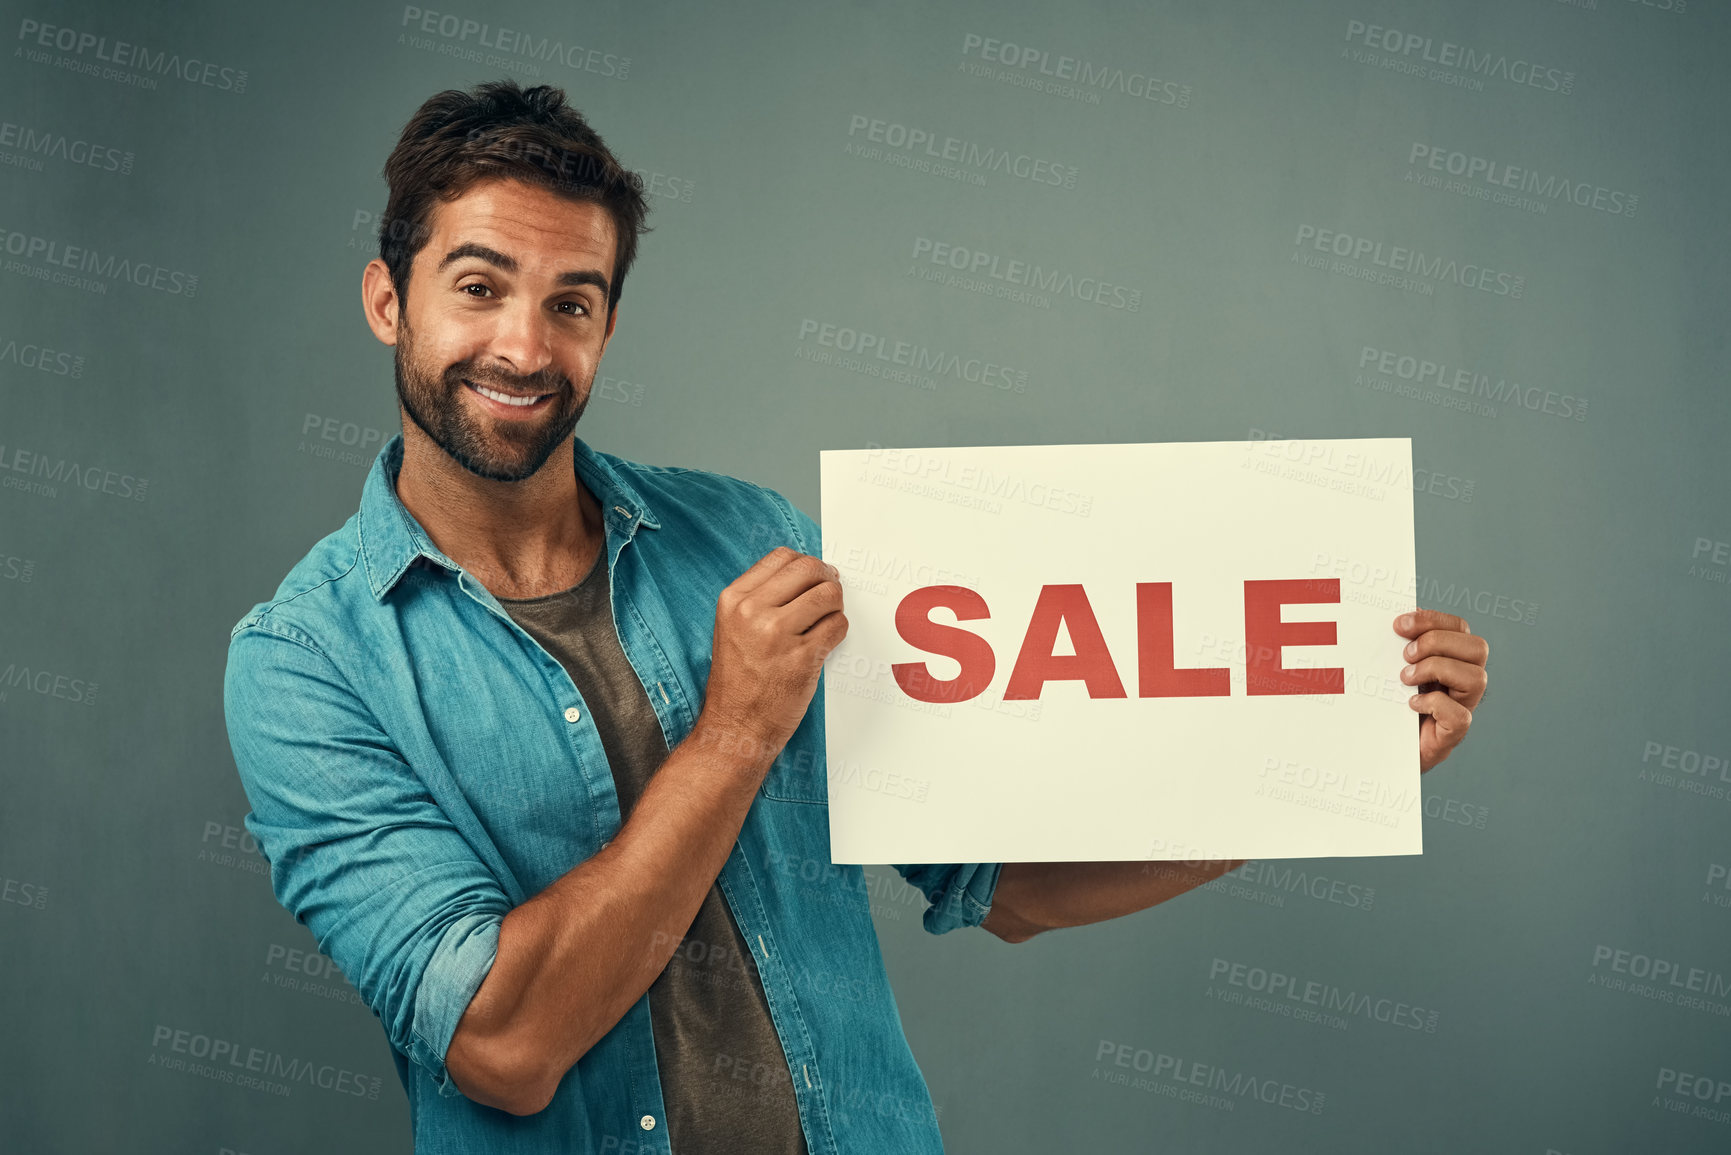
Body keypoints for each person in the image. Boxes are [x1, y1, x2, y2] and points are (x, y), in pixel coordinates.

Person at [221, 78, 1489, 1154]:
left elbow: (1008, 886)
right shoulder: (307, 665)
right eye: (479, 286)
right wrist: (732, 733)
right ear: (390, 299)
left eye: (573, 301)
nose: (525, 345)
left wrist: (1311, 761)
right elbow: (503, 1044)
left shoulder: (752, 540)